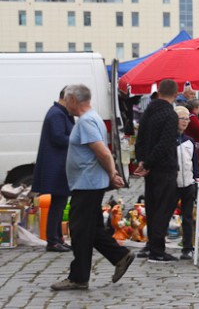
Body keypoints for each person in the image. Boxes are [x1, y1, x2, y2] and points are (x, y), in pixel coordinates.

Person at [51, 85, 134, 291]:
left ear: (72, 100)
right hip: (88, 183)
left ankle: (78, 277)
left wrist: (112, 174)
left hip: (87, 184)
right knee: (92, 229)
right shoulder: (92, 117)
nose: (64, 104)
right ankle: (120, 256)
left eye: (65, 100)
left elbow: (103, 153)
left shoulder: (87, 121)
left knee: (79, 231)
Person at [134, 79, 180, 262]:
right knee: (163, 209)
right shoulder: (170, 115)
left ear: (158, 92)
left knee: (153, 208)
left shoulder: (148, 111)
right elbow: (164, 144)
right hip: (165, 167)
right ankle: (157, 249)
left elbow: (140, 139)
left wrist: (143, 162)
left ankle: (153, 246)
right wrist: (149, 163)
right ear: (176, 94)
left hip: (150, 169)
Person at [32, 87, 75, 252]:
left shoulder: (60, 113)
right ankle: (53, 240)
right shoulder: (57, 114)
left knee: (60, 202)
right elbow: (58, 138)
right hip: (57, 165)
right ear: (66, 98)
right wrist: (77, 136)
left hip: (58, 164)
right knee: (58, 203)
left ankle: (57, 238)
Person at [174, 106, 199, 261]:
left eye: (187, 119)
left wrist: (196, 179)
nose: (186, 122)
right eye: (182, 118)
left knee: (188, 217)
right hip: (172, 184)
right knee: (164, 215)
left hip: (188, 183)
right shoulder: (169, 139)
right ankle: (157, 245)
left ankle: (187, 247)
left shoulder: (189, 141)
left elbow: (195, 163)